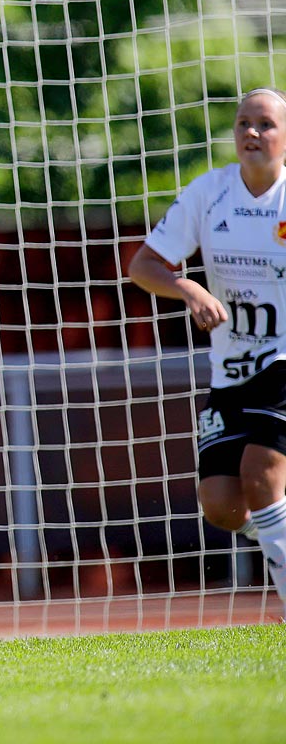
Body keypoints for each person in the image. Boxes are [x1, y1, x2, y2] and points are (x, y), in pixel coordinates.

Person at [128, 88, 286, 617]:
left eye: (265, 124)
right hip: (231, 370)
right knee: (222, 506)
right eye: (244, 123)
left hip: (283, 362)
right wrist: (189, 288)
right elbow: (144, 265)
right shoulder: (209, 194)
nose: (252, 133)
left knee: (261, 474)